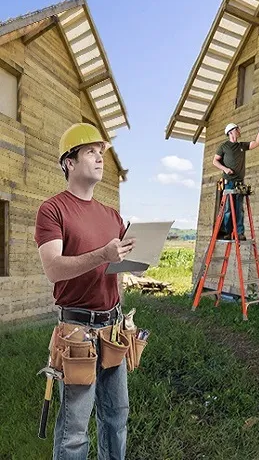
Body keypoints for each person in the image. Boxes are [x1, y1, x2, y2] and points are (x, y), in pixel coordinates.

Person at [35, 123, 136, 460]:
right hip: (77, 332)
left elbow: (119, 267)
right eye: (90, 151)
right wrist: (103, 255)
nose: (99, 158)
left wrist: (134, 264)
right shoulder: (53, 210)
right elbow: (53, 268)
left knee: (116, 417)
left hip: (113, 329)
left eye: (101, 152)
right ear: (69, 162)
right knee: (75, 430)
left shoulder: (112, 216)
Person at [212, 118, 259, 240]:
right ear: (231, 132)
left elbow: (257, 142)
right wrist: (225, 169)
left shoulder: (241, 146)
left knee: (239, 209)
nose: (239, 131)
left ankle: (239, 233)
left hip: (239, 183)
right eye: (237, 129)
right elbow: (215, 161)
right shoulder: (224, 147)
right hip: (229, 182)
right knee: (228, 209)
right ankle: (227, 232)